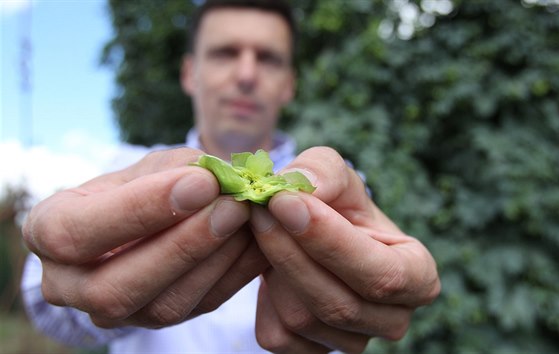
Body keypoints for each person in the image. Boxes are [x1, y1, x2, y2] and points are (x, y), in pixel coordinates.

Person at [20, 0, 441, 353]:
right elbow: (43, 300)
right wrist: (92, 296)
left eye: (268, 58)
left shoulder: (334, 187)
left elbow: (370, 292)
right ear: (189, 73)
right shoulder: (122, 169)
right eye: (225, 53)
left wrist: (376, 291)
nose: (245, 74)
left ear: (289, 84)